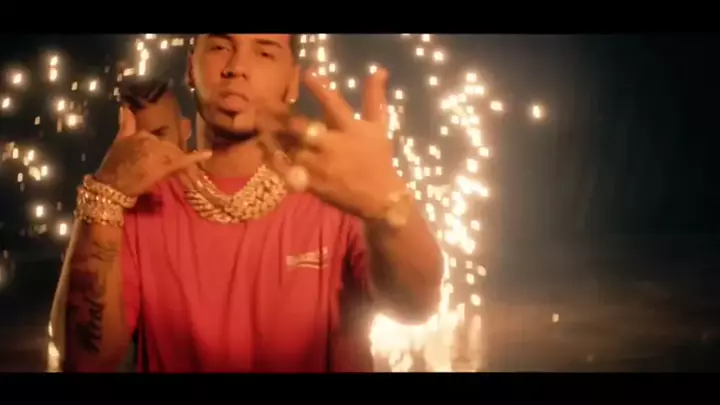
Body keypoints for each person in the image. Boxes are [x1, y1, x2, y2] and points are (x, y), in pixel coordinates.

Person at [52, 34, 442, 372]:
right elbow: (85, 362)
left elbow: (415, 307)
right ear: (191, 68)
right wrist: (103, 196)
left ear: (292, 82)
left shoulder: (337, 191)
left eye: (265, 51)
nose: (237, 67)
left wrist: (387, 205)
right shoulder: (140, 199)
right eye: (221, 46)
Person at [49, 79, 191, 371]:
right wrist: (103, 195)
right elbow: (83, 353)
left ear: (185, 130)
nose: (143, 152)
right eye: (133, 140)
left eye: (158, 136)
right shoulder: (117, 216)